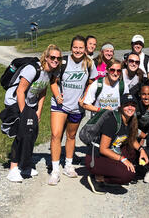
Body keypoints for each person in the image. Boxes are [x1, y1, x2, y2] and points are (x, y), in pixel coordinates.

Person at [4, 45, 61, 182]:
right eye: (52, 57)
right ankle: (13, 169)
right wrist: (24, 114)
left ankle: (25, 165)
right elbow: (20, 91)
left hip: (30, 104)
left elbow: (42, 91)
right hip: (15, 101)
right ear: (46, 57)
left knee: (31, 133)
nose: (55, 60)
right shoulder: (32, 69)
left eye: (58, 58)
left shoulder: (50, 73)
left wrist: (39, 111)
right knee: (21, 133)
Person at [49, 35, 98, 185]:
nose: (77, 50)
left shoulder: (89, 63)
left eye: (80, 48)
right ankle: (55, 170)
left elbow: (91, 81)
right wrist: (57, 95)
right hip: (60, 105)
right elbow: (53, 81)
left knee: (71, 136)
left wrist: (85, 96)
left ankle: (68, 165)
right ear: (71, 48)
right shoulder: (62, 62)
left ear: (85, 49)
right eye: (75, 47)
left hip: (77, 107)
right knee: (56, 135)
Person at [85, 93, 149, 193]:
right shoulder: (112, 121)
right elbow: (103, 149)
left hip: (111, 151)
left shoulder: (130, 120)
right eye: (127, 105)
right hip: (96, 158)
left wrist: (141, 150)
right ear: (121, 106)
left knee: (134, 152)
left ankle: (111, 171)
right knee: (128, 175)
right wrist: (123, 159)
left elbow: (131, 139)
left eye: (133, 105)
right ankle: (97, 178)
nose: (130, 108)